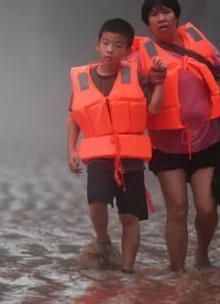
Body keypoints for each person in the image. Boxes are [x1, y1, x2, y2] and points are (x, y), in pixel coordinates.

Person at [131, 0, 220, 272]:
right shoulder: (141, 57)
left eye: (166, 11)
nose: (161, 18)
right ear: (148, 25)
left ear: (177, 16)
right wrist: (149, 81)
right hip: (167, 146)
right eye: (154, 15)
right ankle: (177, 273)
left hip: (206, 140)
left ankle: (201, 256)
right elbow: (130, 95)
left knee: (206, 208)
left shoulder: (200, 45)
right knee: (177, 208)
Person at [68, 18, 167, 273]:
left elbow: (154, 108)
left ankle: (127, 271)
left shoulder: (136, 75)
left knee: (129, 216)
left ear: (127, 50)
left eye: (117, 45)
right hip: (99, 155)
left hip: (130, 157)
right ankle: (103, 241)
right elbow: (75, 118)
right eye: (106, 43)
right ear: (97, 45)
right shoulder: (82, 78)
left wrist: (160, 83)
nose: (110, 49)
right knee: (96, 203)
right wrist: (72, 150)